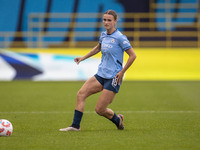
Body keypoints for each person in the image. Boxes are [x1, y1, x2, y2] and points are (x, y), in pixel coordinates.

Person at [59, 10, 136, 131]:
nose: (106, 22)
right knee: (80, 94)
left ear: (115, 21)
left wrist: (122, 72)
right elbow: (97, 48)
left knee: (99, 110)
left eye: (109, 20)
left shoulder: (120, 38)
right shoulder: (103, 35)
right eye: (104, 20)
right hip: (101, 74)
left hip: (113, 77)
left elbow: (133, 56)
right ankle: (75, 126)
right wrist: (83, 58)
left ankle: (118, 119)